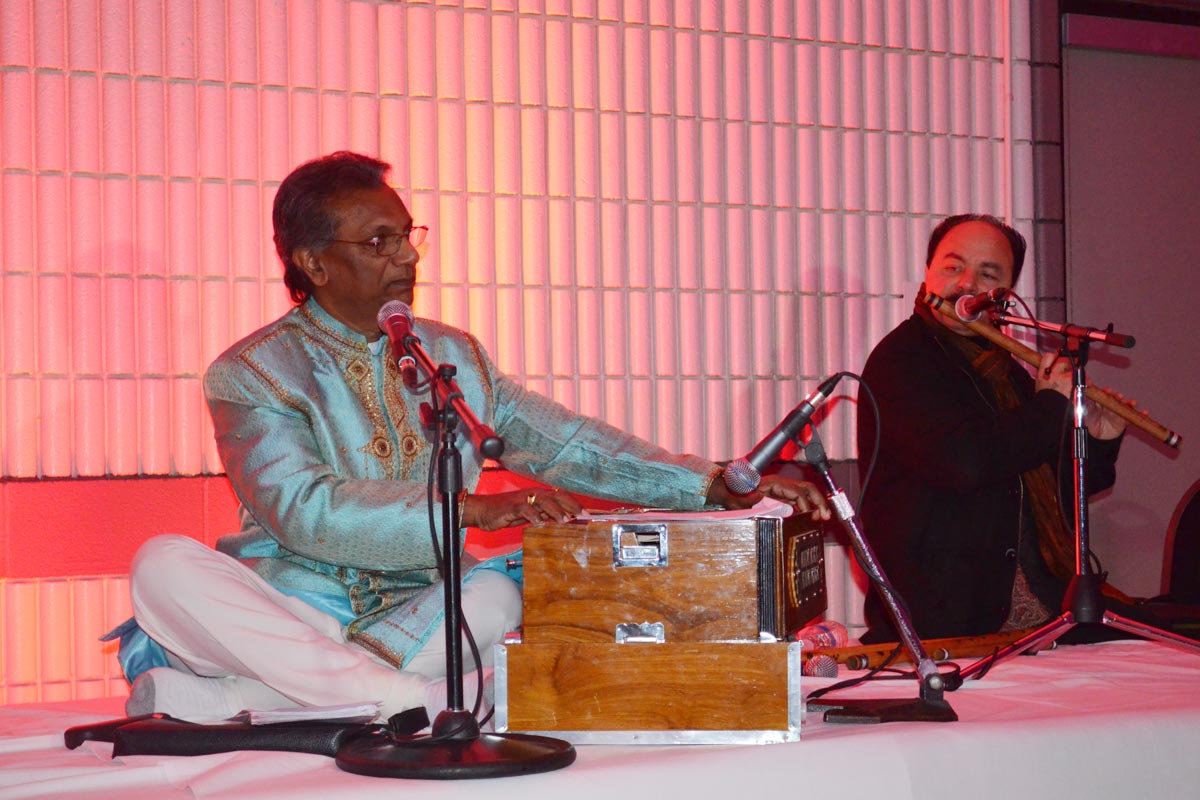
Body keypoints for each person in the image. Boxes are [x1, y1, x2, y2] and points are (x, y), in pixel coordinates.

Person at [121, 151, 830, 725]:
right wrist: (470, 510)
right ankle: (397, 699)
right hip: (295, 604)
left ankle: (264, 697)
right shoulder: (253, 373)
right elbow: (304, 511)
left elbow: (567, 444)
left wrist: (709, 484)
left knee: (497, 595)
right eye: (379, 242)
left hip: (422, 609)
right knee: (164, 566)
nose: (407, 257)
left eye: (408, 235)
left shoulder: (450, 354)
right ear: (314, 263)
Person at [856, 214, 1132, 643]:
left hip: (1044, 611)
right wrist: (1050, 404)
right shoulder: (902, 360)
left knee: (1159, 644)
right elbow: (966, 462)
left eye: (988, 274)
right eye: (953, 266)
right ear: (928, 273)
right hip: (948, 623)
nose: (967, 283)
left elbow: (1061, 492)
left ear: (1004, 295)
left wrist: (1099, 438)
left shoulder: (1005, 371)